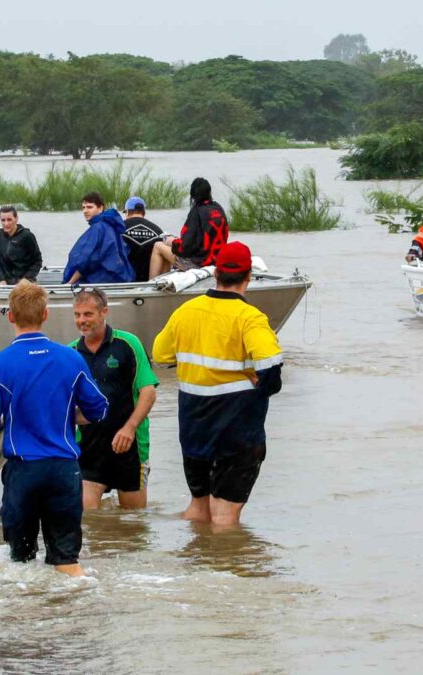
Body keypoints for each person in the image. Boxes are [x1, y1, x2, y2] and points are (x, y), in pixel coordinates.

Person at [0, 280, 109, 576]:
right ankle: (81, 607)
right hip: (64, 469)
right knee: (66, 559)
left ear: (10, 316)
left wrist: (10, 420)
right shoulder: (71, 358)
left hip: (23, 471)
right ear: (45, 314)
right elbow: (98, 409)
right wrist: (65, 415)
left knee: (20, 563)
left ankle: (28, 616)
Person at [153, 241, 283, 528]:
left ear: (215, 274)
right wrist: (255, 382)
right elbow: (272, 373)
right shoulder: (250, 319)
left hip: (193, 427)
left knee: (199, 507)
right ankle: (220, 570)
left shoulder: (187, 311)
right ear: (248, 277)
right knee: (225, 518)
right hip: (236, 433)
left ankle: (194, 561)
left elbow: (161, 355)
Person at [68, 288, 158, 510]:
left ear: (104, 312)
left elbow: (148, 392)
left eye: (88, 314)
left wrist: (129, 428)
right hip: (87, 448)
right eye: (77, 315)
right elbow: (60, 402)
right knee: (86, 518)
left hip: (130, 446)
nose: (82, 321)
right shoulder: (70, 353)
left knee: (134, 522)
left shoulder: (128, 344)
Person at [148, 178, 229, 278]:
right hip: (216, 261)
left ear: (193, 195)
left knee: (158, 245)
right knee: (169, 247)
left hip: (198, 264)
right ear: (209, 192)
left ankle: (151, 285)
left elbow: (186, 248)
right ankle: (162, 281)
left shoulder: (196, 212)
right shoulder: (218, 208)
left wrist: (172, 242)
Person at [63, 192, 134, 285]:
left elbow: (86, 260)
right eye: (83, 207)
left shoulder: (98, 228)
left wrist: (69, 283)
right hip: (119, 276)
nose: (85, 211)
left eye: (89, 207)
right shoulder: (111, 225)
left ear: (100, 208)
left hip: (102, 278)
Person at [0, 205, 42, 285]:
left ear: (16, 219)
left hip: (25, 284)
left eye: (9, 220)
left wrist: (27, 279)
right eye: (3, 220)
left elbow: (37, 261)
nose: (6, 223)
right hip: (5, 283)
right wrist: (1, 279)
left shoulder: (27, 236)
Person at [121, 196, 164, 281]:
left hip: (125, 283)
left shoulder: (118, 228)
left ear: (128, 212)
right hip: (149, 282)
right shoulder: (157, 231)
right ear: (143, 212)